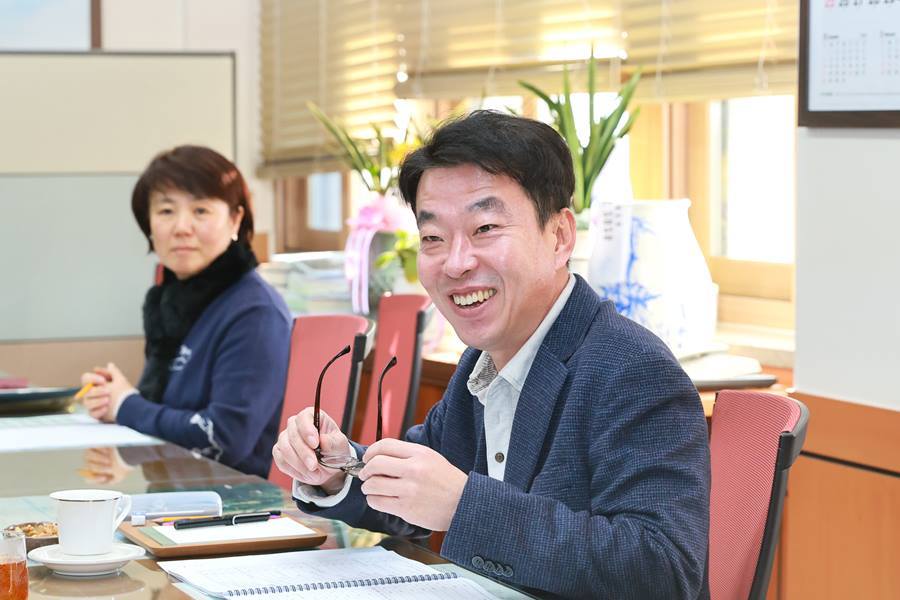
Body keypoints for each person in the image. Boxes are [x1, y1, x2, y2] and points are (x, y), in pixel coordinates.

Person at [273, 111, 710, 599]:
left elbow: (663, 571)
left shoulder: (633, 370)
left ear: (560, 236)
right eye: (434, 238)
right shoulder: (484, 360)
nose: (456, 262)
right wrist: (337, 470)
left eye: (484, 227)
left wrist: (463, 506)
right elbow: (417, 490)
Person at [80, 146, 291, 479]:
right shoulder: (173, 303)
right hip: (176, 489)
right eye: (166, 211)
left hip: (236, 500)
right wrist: (113, 398)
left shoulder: (255, 312)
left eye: (201, 210)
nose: (181, 227)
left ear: (235, 219)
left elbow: (223, 438)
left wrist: (126, 404)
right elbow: (167, 412)